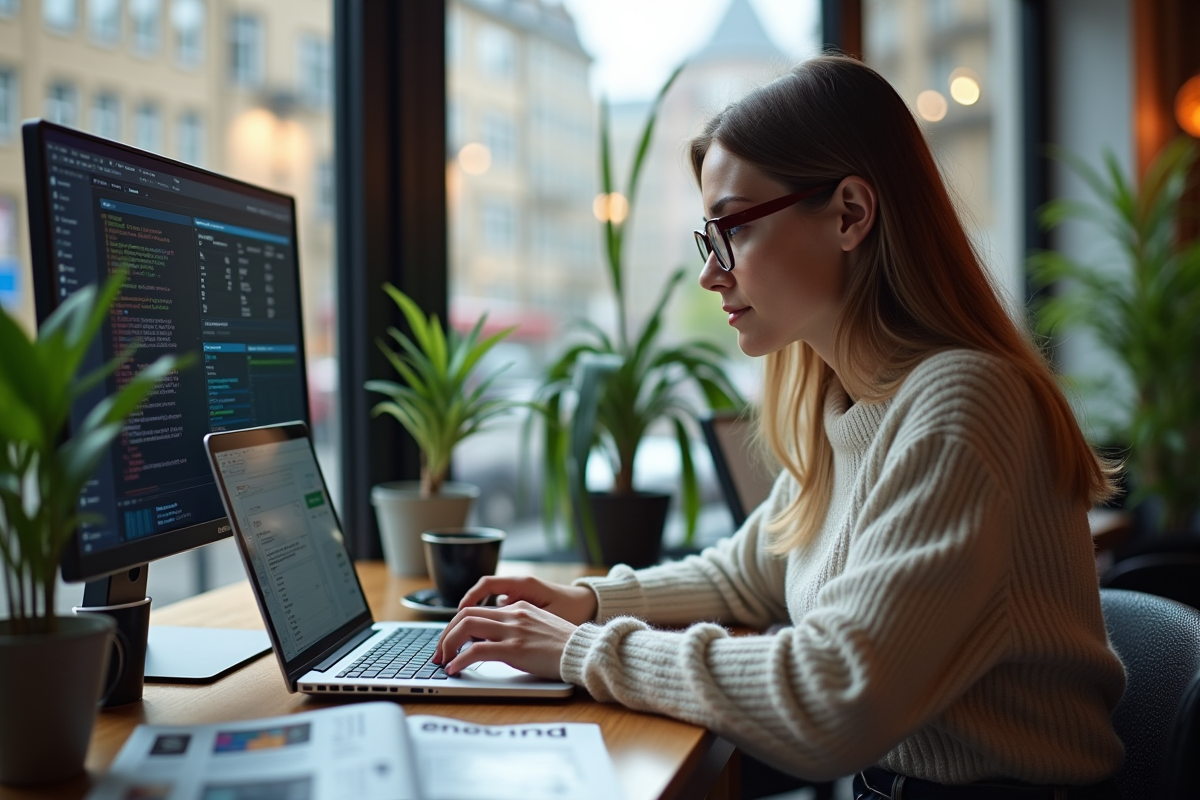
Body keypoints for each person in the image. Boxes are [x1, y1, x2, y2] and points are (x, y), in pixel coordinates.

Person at [433, 55, 1125, 798]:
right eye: (710, 237)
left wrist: (581, 650)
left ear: (851, 214)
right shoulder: (849, 404)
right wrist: (590, 601)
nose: (711, 272)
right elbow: (750, 570)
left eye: (731, 228)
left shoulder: (963, 402)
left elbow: (835, 697)